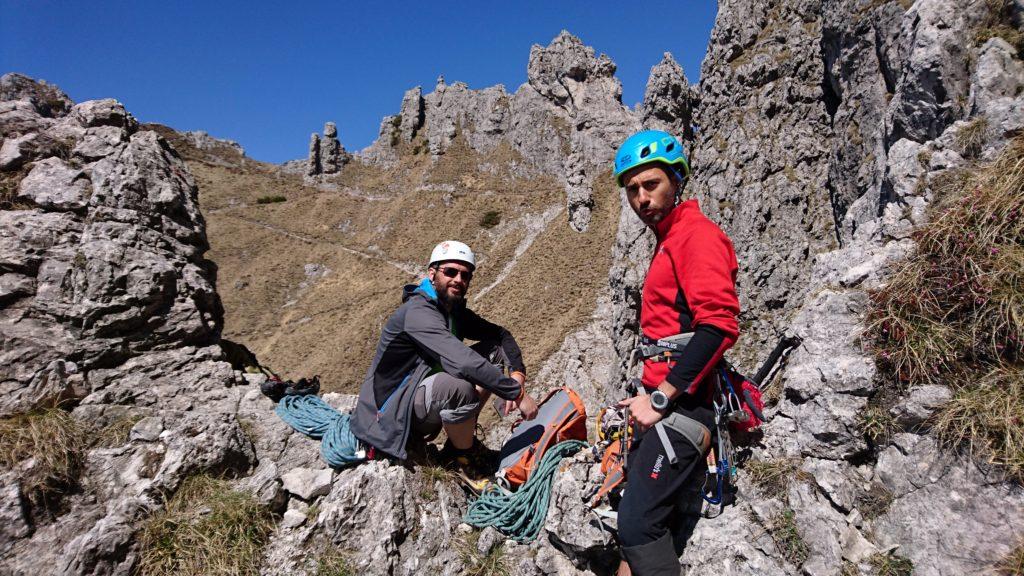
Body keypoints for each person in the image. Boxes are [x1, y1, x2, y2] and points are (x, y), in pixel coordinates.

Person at [612, 130, 740, 576]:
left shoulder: (695, 237)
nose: (641, 198)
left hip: (685, 406)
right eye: (633, 189)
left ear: (676, 180)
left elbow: (719, 326)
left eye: (651, 185)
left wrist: (661, 398)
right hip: (666, 400)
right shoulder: (670, 239)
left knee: (636, 526)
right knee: (636, 518)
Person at [350, 240, 539, 470]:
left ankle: (458, 444)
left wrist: (517, 374)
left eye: (465, 275)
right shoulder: (418, 312)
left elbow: (500, 336)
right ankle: (462, 460)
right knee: (459, 389)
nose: (458, 279)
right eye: (450, 271)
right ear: (432, 273)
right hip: (393, 412)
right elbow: (463, 361)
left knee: (494, 353)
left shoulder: (452, 311)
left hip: (420, 395)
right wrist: (516, 393)